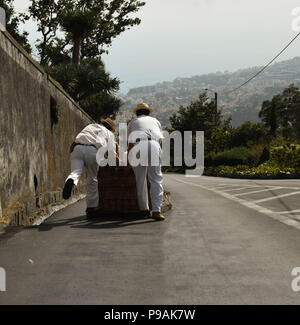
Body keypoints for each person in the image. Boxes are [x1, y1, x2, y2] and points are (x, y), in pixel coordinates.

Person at [62, 118, 116, 218]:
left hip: (77, 148)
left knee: (75, 172)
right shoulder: (109, 133)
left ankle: (71, 180)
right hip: (93, 151)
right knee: (93, 178)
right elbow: (112, 153)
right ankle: (91, 208)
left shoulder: (90, 126)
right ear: (110, 128)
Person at [127, 103, 165, 221]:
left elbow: (130, 143)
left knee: (141, 180)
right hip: (154, 144)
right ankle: (157, 211)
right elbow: (159, 140)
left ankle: (144, 209)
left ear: (136, 113)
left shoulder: (132, 123)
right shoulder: (155, 121)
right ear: (148, 112)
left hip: (138, 145)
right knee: (156, 179)